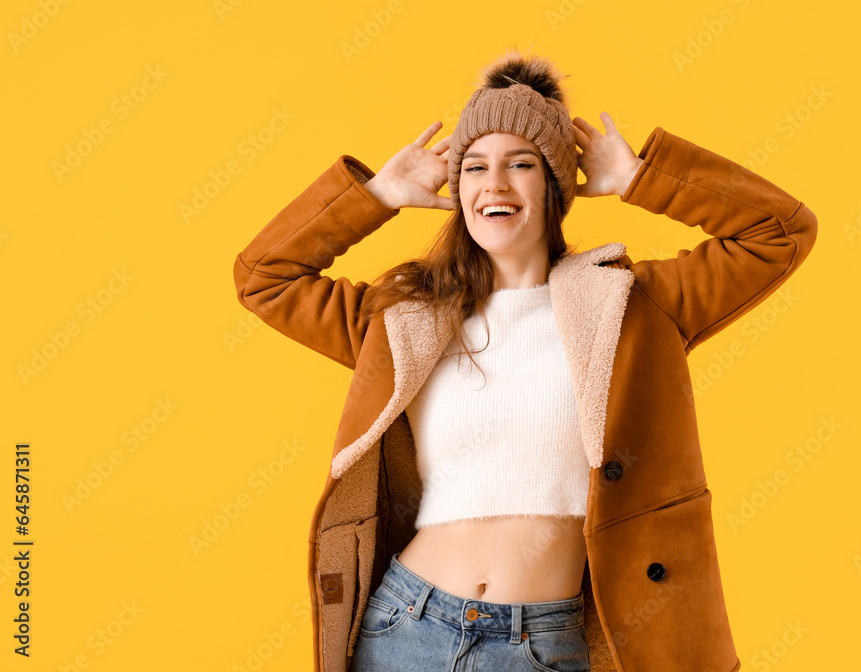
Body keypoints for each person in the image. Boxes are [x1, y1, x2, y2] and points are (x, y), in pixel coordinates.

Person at [233, 49, 818, 672]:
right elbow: (264, 277)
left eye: (521, 163)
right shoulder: (405, 316)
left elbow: (780, 232)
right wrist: (377, 194)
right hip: (405, 626)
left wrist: (642, 176)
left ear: (556, 183)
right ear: (458, 189)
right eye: (476, 167)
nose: (496, 184)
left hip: (546, 643)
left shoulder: (634, 306)